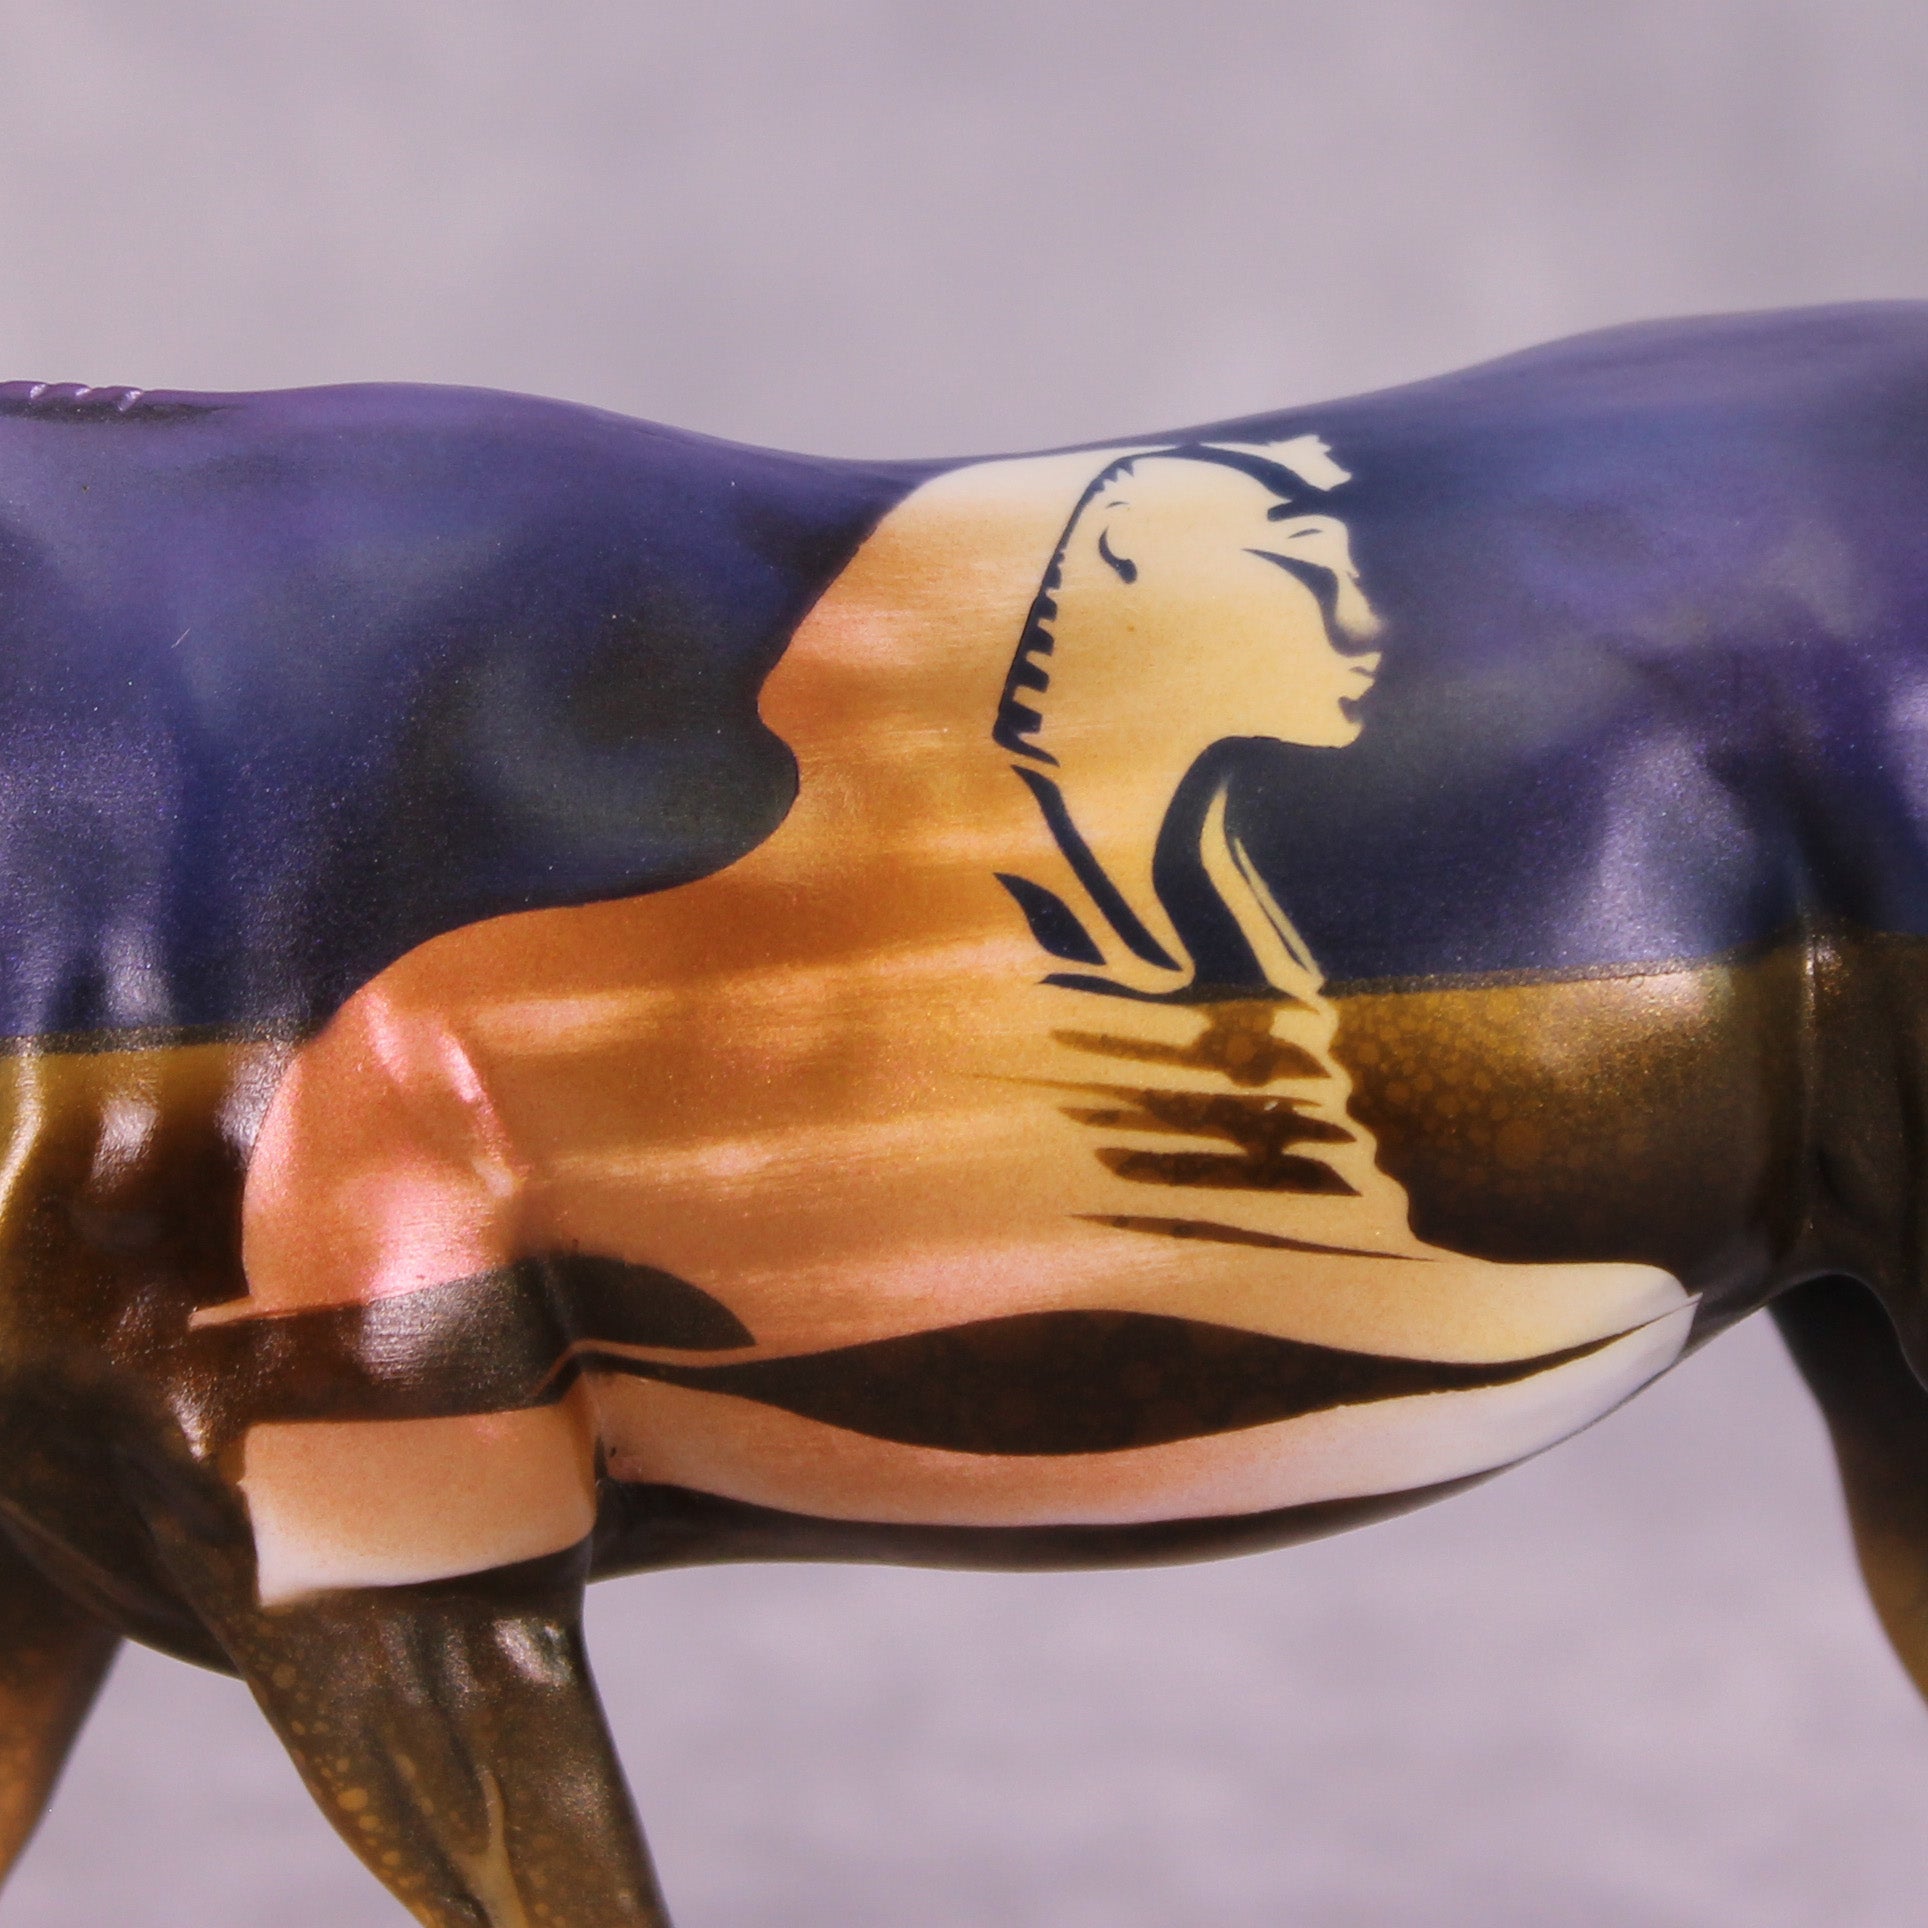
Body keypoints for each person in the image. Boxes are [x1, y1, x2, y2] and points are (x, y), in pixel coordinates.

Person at [211, 437, 1692, 1603]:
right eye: (1296, 567)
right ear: (1119, 576)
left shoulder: (1187, 910)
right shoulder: (507, 1007)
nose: (1364, 616)